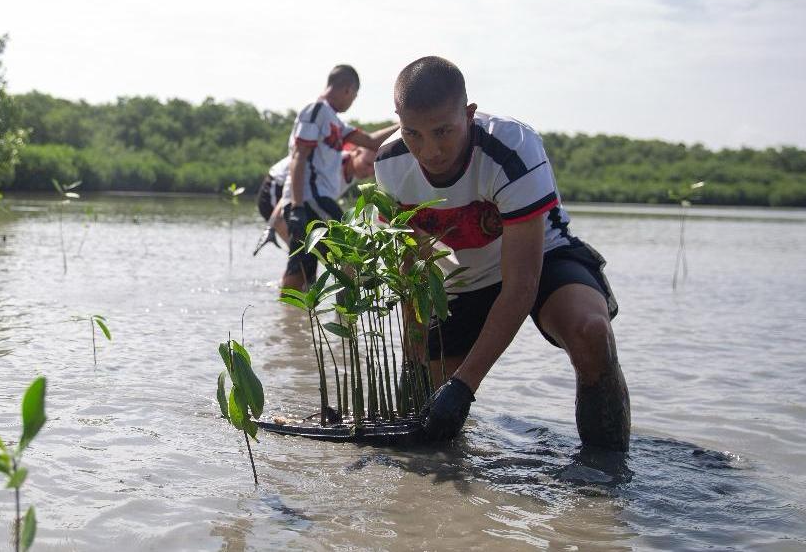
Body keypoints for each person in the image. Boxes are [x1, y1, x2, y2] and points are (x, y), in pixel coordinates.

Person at [372, 56, 629, 450]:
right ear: (398, 121)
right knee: (429, 408)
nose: (430, 151)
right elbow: (411, 270)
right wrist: (416, 349)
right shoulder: (390, 164)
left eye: (443, 131)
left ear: (469, 114)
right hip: (466, 276)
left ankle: (607, 470)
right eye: (413, 134)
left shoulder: (512, 148)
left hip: (545, 260)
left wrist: (463, 387)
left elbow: (521, 285)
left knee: (590, 331)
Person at [282, 65, 397, 291]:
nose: (352, 101)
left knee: (302, 270)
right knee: (353, 249)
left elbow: (372, 141)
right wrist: (297, 208)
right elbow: (299, 157)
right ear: (347, 89)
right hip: (309, 200)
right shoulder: (316, 110)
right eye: (354, 96)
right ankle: (345, 316)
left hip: (312, 201)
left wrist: (405, 122)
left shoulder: (334, 121)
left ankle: (290, 321)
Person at [253, 143, 382, 255]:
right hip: (276, 188)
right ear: (356, 153)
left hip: (295, 195)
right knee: (304, 252)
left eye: (374, 168)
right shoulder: (334, 162)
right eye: (367, 164)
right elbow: (294, 184)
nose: (370, 172)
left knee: (308, 253)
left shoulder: (351, 172)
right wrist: (272, 225)